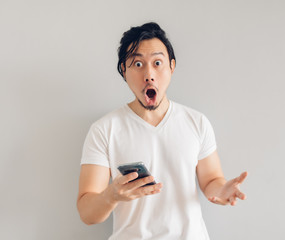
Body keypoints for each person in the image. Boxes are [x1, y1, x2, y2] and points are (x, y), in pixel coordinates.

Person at [77, 22, 248, 240]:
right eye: (137, 64)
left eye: (157, 62)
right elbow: (86, 213)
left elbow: (211, 181)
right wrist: (111, 196)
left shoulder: (196, 122)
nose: (149, 74)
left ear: (171, 66)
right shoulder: (104, 130)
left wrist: (222, 190)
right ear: (123, 70)